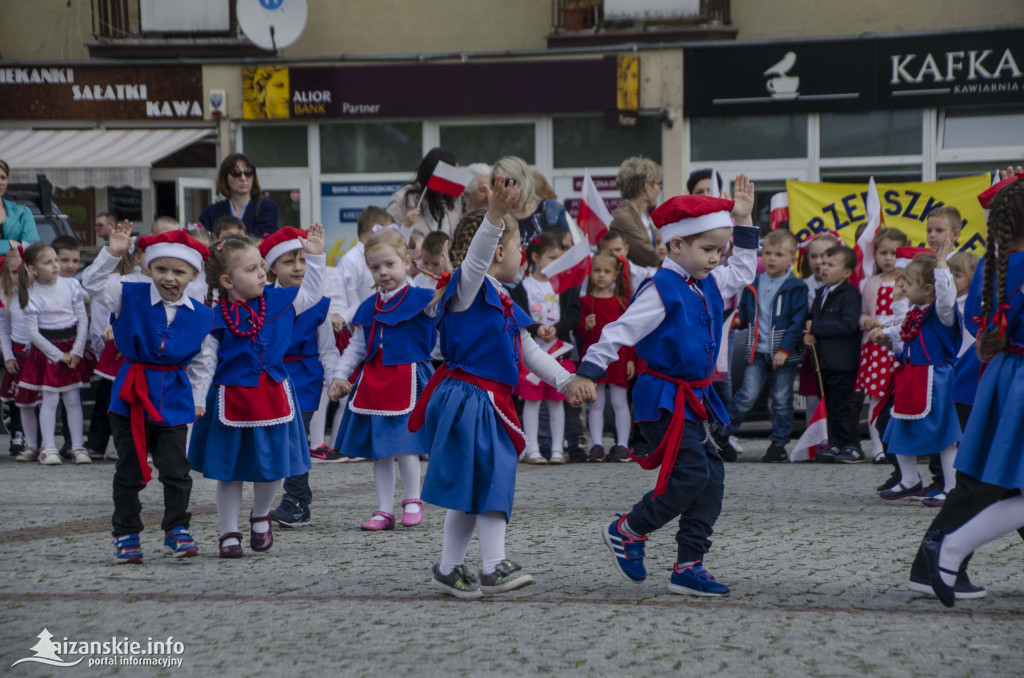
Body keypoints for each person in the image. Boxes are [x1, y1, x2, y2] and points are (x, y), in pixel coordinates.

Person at [410, 176, 593, 599]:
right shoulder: (468, 288)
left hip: (487, 399)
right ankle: (493, 566)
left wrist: (567, 380)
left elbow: (528, 350)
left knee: (475, 489)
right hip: (469, 397)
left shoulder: (505, 298)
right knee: (492, 479)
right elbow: (474, 262)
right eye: (515, 248)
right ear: (497, 252)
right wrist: (494, 216)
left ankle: (449, 567)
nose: (520, 255)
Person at [574, 181, 757, 597]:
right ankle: (630, 528)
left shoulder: (707, 279)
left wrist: (743, 219)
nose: (716, 258)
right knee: (692, 474)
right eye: (708, 249)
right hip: (662, 397)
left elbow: (745, 270)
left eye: (720, 250)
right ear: (676, 245)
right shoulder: (661, 289)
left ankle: (689, 566)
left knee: (710, 478)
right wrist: (587, 372)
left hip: (694, 397)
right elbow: (617, 331)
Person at [187, 225, 331, 558]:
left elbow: (311, 293)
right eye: (252, 269)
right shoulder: (215, 318)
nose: (262, 274)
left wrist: (315, 256)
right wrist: (197, 400)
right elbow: (205, 365)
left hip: (274, 398)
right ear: (227, 281)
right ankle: (228, 531)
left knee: (274, 467)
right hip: (230, 401)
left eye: (262, 266)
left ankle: (261, 515)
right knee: (230, 472)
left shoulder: (279, 302)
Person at [915, 175, 1024, 607]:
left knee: (1003, 485)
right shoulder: (1000, 263)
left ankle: (934, 564)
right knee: (982, 486)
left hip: (991, 380)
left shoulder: (996, 261)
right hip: (991, 384)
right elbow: (983, 328)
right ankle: (935, 563)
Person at [82, 224, 213, 563]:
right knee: (130, 468)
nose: (170, 278)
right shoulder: (128, 293)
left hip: (174, 398)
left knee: (176, 469)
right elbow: (92, 283)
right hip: (130, 395)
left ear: (193, 274)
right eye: (161, 269)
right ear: (148, 267)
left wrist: (199, 398)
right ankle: (126, 532)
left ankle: (177, 527)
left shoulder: (202, 314)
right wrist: (112, 252)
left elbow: (203, 359)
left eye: (179, 271)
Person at [330, 229, 436, 530]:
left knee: (406, 444)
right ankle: (383, 510)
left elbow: (446, 309)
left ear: (407, 262)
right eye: (375, 267)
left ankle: (413, 499)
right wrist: (339, 374)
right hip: (375, 382)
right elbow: (358, 346)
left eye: (389, 264)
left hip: (410, 377)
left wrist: (446, 276)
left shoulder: (425, 298)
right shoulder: (369, 305)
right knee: (381, 451)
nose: (383, 272)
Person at [258, 228, 341, 529]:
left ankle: (296, 501)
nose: (297, 267)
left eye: (303, 260)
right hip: (270, 376)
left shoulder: (318, 302)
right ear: (272, 266)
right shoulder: (261, 299)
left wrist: (334, 378)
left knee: (297, 439)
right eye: (288, 261)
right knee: (273, 440)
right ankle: (273, 498)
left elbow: (327, 348)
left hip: (304, 378)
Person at [869, 242, 961, 502]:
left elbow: (945, 296)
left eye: (908, 282)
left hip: (936, 378)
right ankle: (909, 480)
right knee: (901, 430)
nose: (903, 286)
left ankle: (952, 487)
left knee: (945, 436)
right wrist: (885, 333)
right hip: (911, 376)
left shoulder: (942, 313)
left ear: (928, 288)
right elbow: (901, 332)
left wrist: (941, 265)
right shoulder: (915, 311)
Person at [723, 229, 807, 462]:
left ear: (792, 260)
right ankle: (723, 436)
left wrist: (785, 350)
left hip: (784, 355)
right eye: (767, 253)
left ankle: (778, 444)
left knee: (781, 400)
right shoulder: (754, 283)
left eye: (779, 254)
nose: (771, 258)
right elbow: (747, 314)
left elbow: (797, 322)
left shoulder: (796, 287)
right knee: (746, 396)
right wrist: (736, 321)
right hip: (756, 352)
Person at [15, 242, 91, 465]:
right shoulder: (30, 294)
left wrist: (76, 350)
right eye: (48, 262)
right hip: (48, 351)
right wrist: (58, 355)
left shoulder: (72, 285)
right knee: (49, 399)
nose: (56, 266)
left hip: (72, 347)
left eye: (55, 260)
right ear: (33, 269)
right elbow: (33, 332)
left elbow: (83, 318)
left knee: (73, 398)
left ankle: (77, 446)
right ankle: (48, 448)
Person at [510, 231, 581, 465]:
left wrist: (558, 328)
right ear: (536, 256)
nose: (556, 263)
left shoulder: (565, 286)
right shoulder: (523, 287)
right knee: (532, 400)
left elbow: (574, 314)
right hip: (533, 353)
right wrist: (536, 328)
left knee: (557, 399)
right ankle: (532, 448)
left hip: (559, 352)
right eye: (552, 257)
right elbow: (518, 314)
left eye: (560, 258)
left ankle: (558, 448)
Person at [85, 236, 144, 462]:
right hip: (114, 347)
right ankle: (96, 444)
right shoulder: (120, 282)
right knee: (106, 398)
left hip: (135, 349)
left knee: (132, 400)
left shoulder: (149, 282)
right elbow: (107, 308)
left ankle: (127, 446)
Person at [575, 249, 635, 462]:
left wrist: (630, 359)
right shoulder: (585, 302)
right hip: (593, 358)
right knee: (596, 402)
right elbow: (579, 335)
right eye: (597, 270)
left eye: (606, 271)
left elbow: (629, 333)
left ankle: (621, 445)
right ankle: (597, 444)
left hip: (618, 359)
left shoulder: (622, 302)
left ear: (615, 275)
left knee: (619, 401)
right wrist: (585, 326)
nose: (601, 275)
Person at [804, 245, 862, 463]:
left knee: (841, 406)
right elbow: (812, 319)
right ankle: (835, 443)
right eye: (822, 263)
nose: (823, 267)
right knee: (827, 405)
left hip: (841, 362)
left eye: (830, 264)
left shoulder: (849, 294)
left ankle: (852, 445)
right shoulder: (821, 292)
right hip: (823, 362)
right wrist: (808, 332)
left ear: (846, 273)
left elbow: (848, 325)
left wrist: (816, 327)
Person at [855, 228, 908, 464]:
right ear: (874, 255)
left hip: (900, 346)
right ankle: (878, 447)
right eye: (883, 252)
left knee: (902, 398)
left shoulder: (908, 281)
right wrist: (866, 322)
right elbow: (864, 312)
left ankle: (901, 448)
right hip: (877, 347)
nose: (888, 258)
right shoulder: (870, 283)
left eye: (894, 253)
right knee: (877, 399)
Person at [0, 244, 36, 459]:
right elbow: (4, 329)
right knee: (16, 396)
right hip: (18, 353)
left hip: (38, 354)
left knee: (37, 396)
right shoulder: (7, 296)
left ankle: (38, 438)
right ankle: (17, 433)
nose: (19, 276)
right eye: (14, 271)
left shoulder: (39, 291)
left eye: (23, 271)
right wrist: (9, 356)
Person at [492, 156, 570, 247]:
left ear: (524, 180)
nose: (504, 188)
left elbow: (566, 251)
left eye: (508, 182)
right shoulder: (492, 214)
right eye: (497, 182)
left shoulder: (551, 209)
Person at [197, 154, 279, 239]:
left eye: (248, 173)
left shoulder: (267, 207)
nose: (243, 178)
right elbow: (205, 242)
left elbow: (264, 238)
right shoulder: (210, 212)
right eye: (236, 173)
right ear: (225, 178)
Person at [387, 148, 463, 235]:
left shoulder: (453, 196)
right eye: (452, 174)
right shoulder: (402, 198)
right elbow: (388, 236)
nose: (455, 179)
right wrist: (406, 226)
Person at [608, 157, 662, 268]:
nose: (659, 189)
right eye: (657, 184)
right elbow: (651, 256)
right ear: (647, 187)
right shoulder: (623, 217)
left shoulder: (644, 216)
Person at [339, 207, 389, 321]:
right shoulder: (350, 260)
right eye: (388, 231)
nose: (389, 237)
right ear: (376, 228)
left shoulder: (382, 258)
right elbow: (349, 305)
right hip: (361, 330)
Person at [0, 160, 40, 254]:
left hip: (16, 268)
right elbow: (23, 248)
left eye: (3, 178)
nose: (0, 182)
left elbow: (31, 249)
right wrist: (10, 244)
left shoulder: (22, 212)